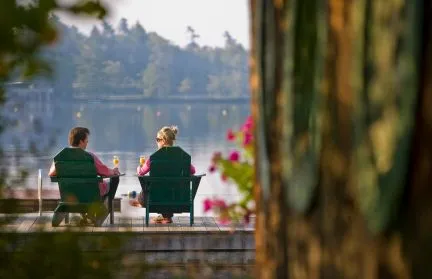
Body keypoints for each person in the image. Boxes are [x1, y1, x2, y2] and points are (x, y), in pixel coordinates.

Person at [130, 125, 196, 224]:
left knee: (149, 190)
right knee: (169, 188)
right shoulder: (182, 156)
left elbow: (141, 172)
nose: (156, 142)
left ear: (163, 140)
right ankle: (166, 217)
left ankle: (141, 202)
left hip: (155, 198)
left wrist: (139, 166)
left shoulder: (154, 158)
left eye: (157, 139)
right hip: (178, 197)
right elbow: (193, 171)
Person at [49, 126, 121, 205]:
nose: (87, 143)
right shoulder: (89, 157)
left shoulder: (60, 157)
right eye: (86, 141)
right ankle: (104, 208)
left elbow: (51, 173)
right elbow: (105, 171)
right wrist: (113, 171)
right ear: (81, 141)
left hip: (70, 196)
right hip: (90, 194)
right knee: (115, 179)